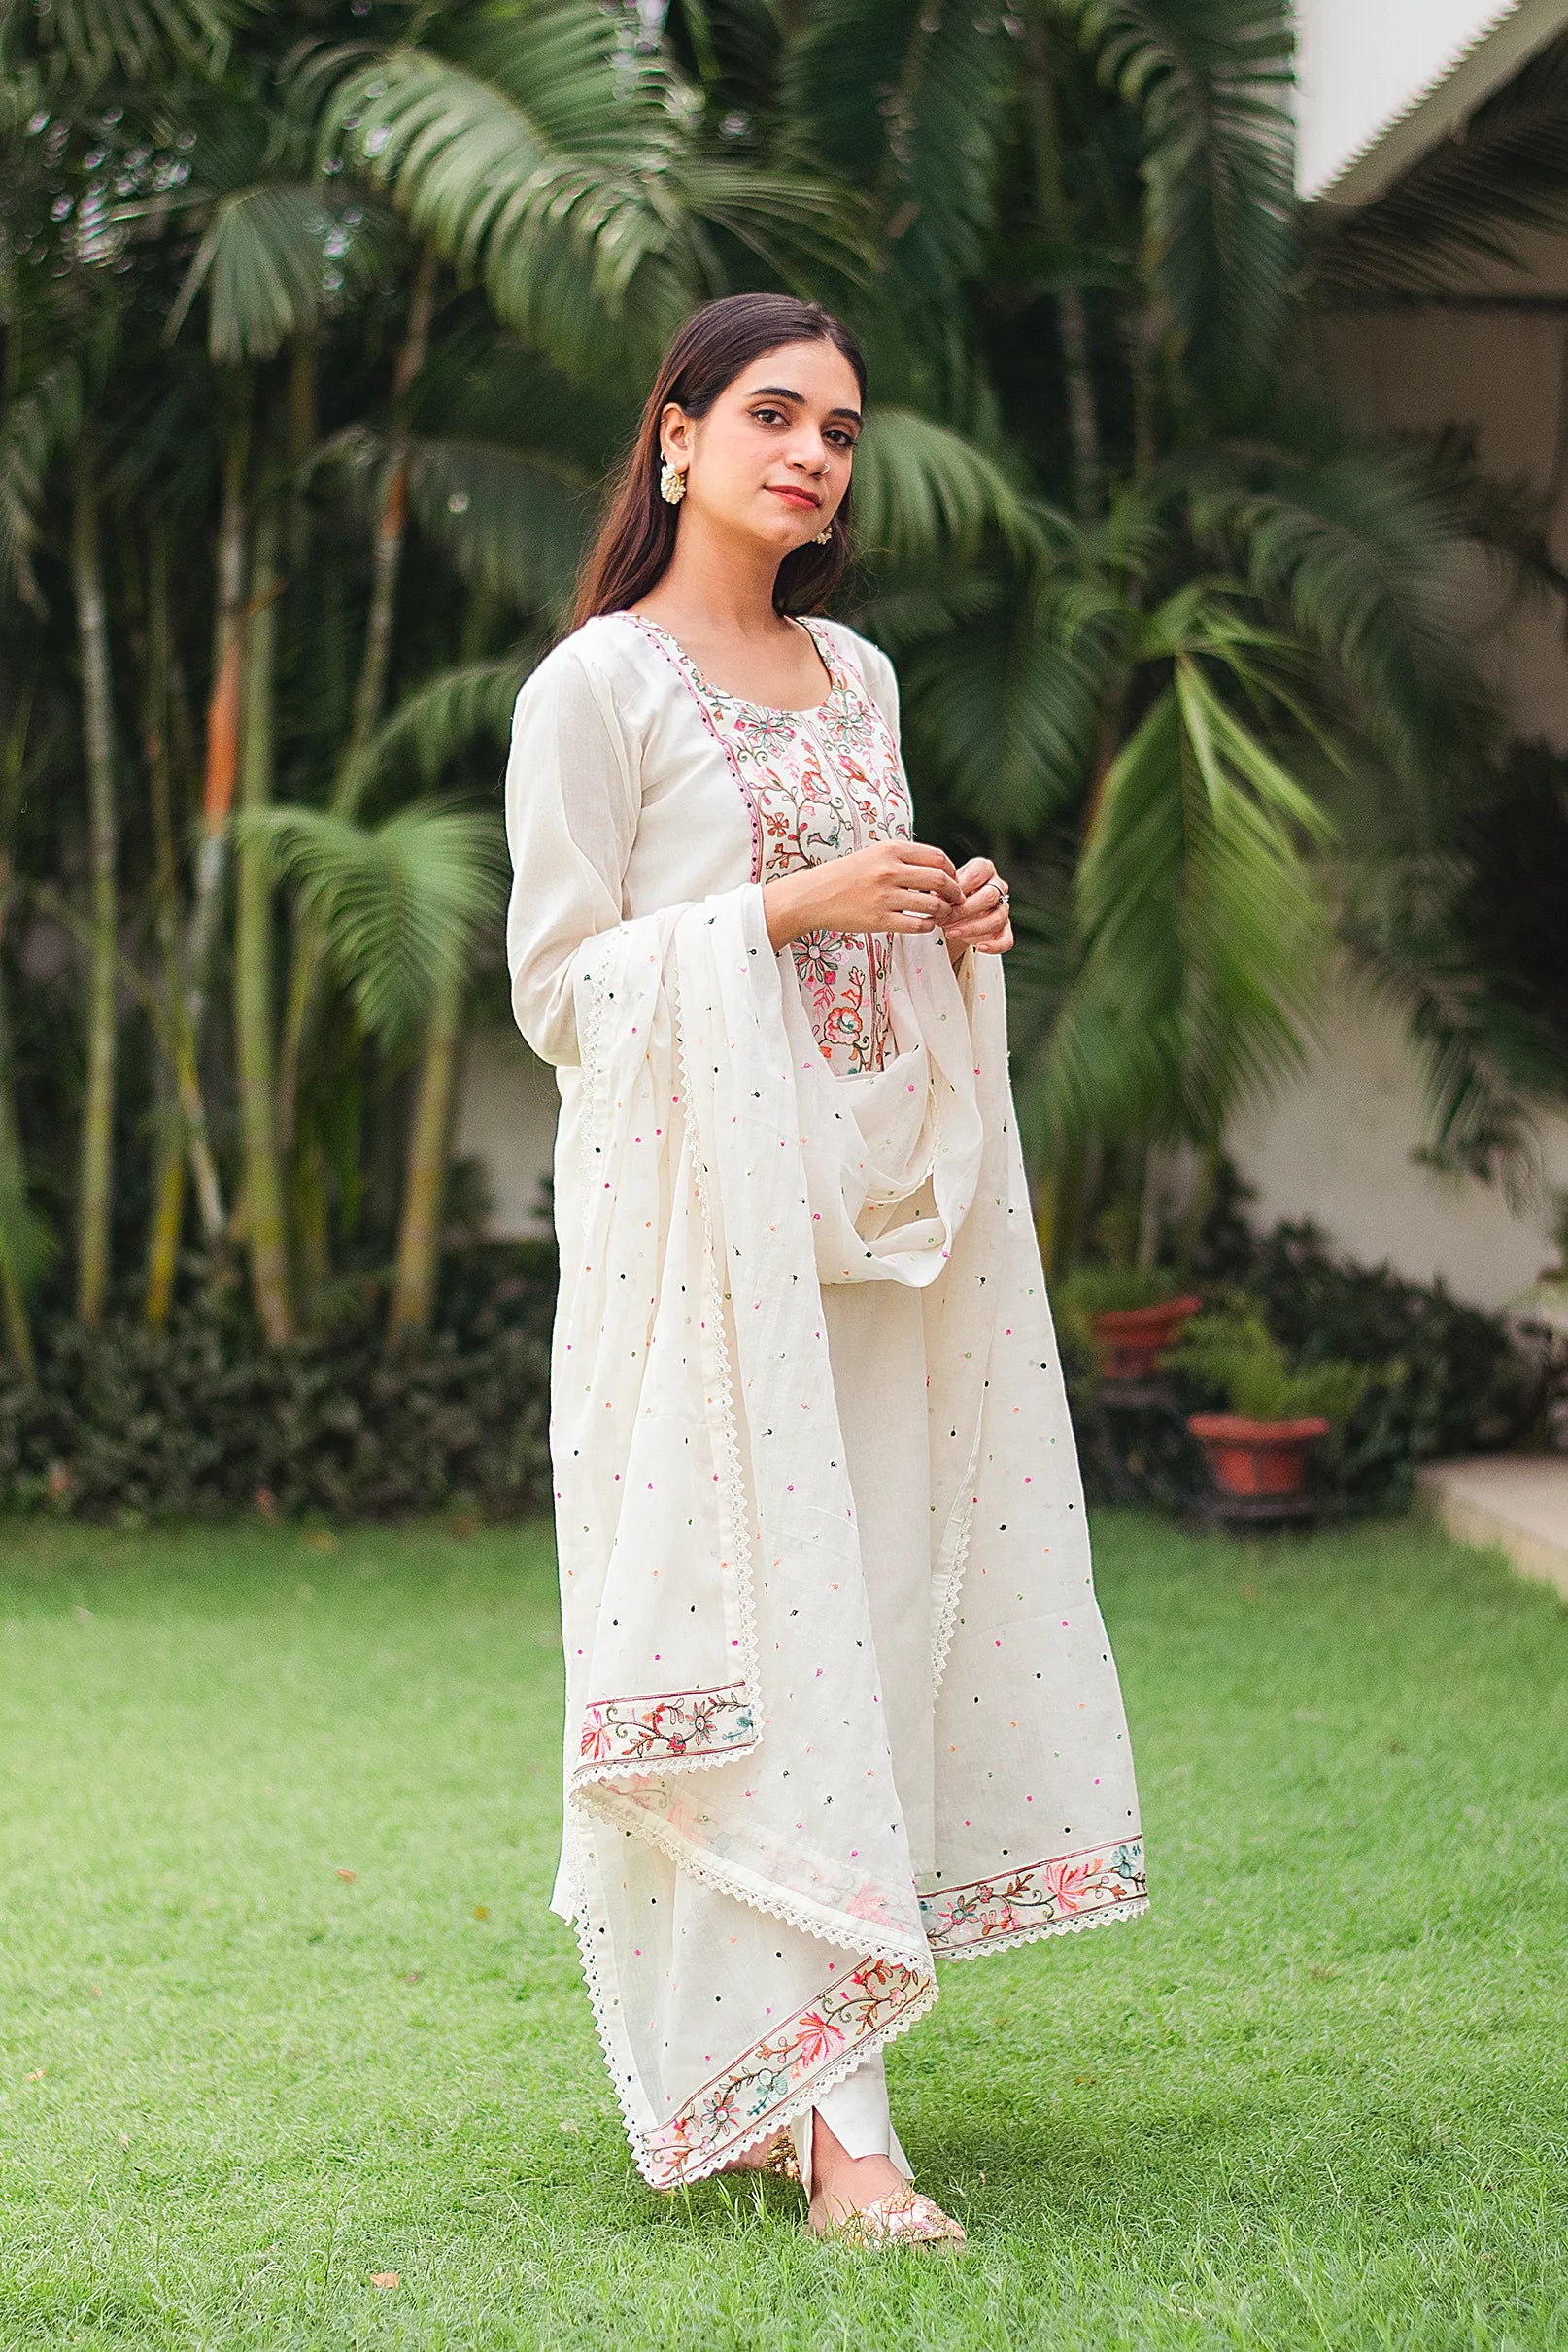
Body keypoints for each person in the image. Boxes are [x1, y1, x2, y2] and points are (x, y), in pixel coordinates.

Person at [502, 290, 1148, 2252]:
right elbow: (560, 990)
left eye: (844, 431)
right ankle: (845, 2134)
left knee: (857, 1634)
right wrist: (780, 905)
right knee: (761, 1655)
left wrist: (951, 909)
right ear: (676, 436)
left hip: (879, 1226)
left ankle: (809, 2085)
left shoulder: (853, 674)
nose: (812, 455)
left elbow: (867, 935)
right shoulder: (594, 691)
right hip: (700, 1269)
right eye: (774, 415)